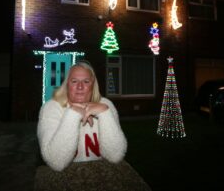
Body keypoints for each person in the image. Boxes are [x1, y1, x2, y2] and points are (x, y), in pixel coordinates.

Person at [35, 60, 151, 191]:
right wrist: (72, 114)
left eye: (86, 81)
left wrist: (104, 113)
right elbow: (56, 162)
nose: (80, 87)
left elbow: (115, 156)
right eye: (74, 81)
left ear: (93, 85)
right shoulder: (52, 108)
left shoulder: (105, 105)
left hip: (102, 178)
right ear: (67, 85)